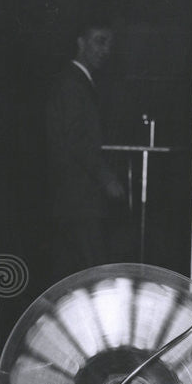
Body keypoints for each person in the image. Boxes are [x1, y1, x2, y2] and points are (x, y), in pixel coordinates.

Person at [41, 19, 126, 285]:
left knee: (72, 276)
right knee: (89, 276)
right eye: (100, 41)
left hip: (73, 198)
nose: (106, 49)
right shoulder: (73, 84)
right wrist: (108, 179)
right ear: (80, 43)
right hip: (79, 199)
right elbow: (78, 141)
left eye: (109, 43)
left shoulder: (79, 82)